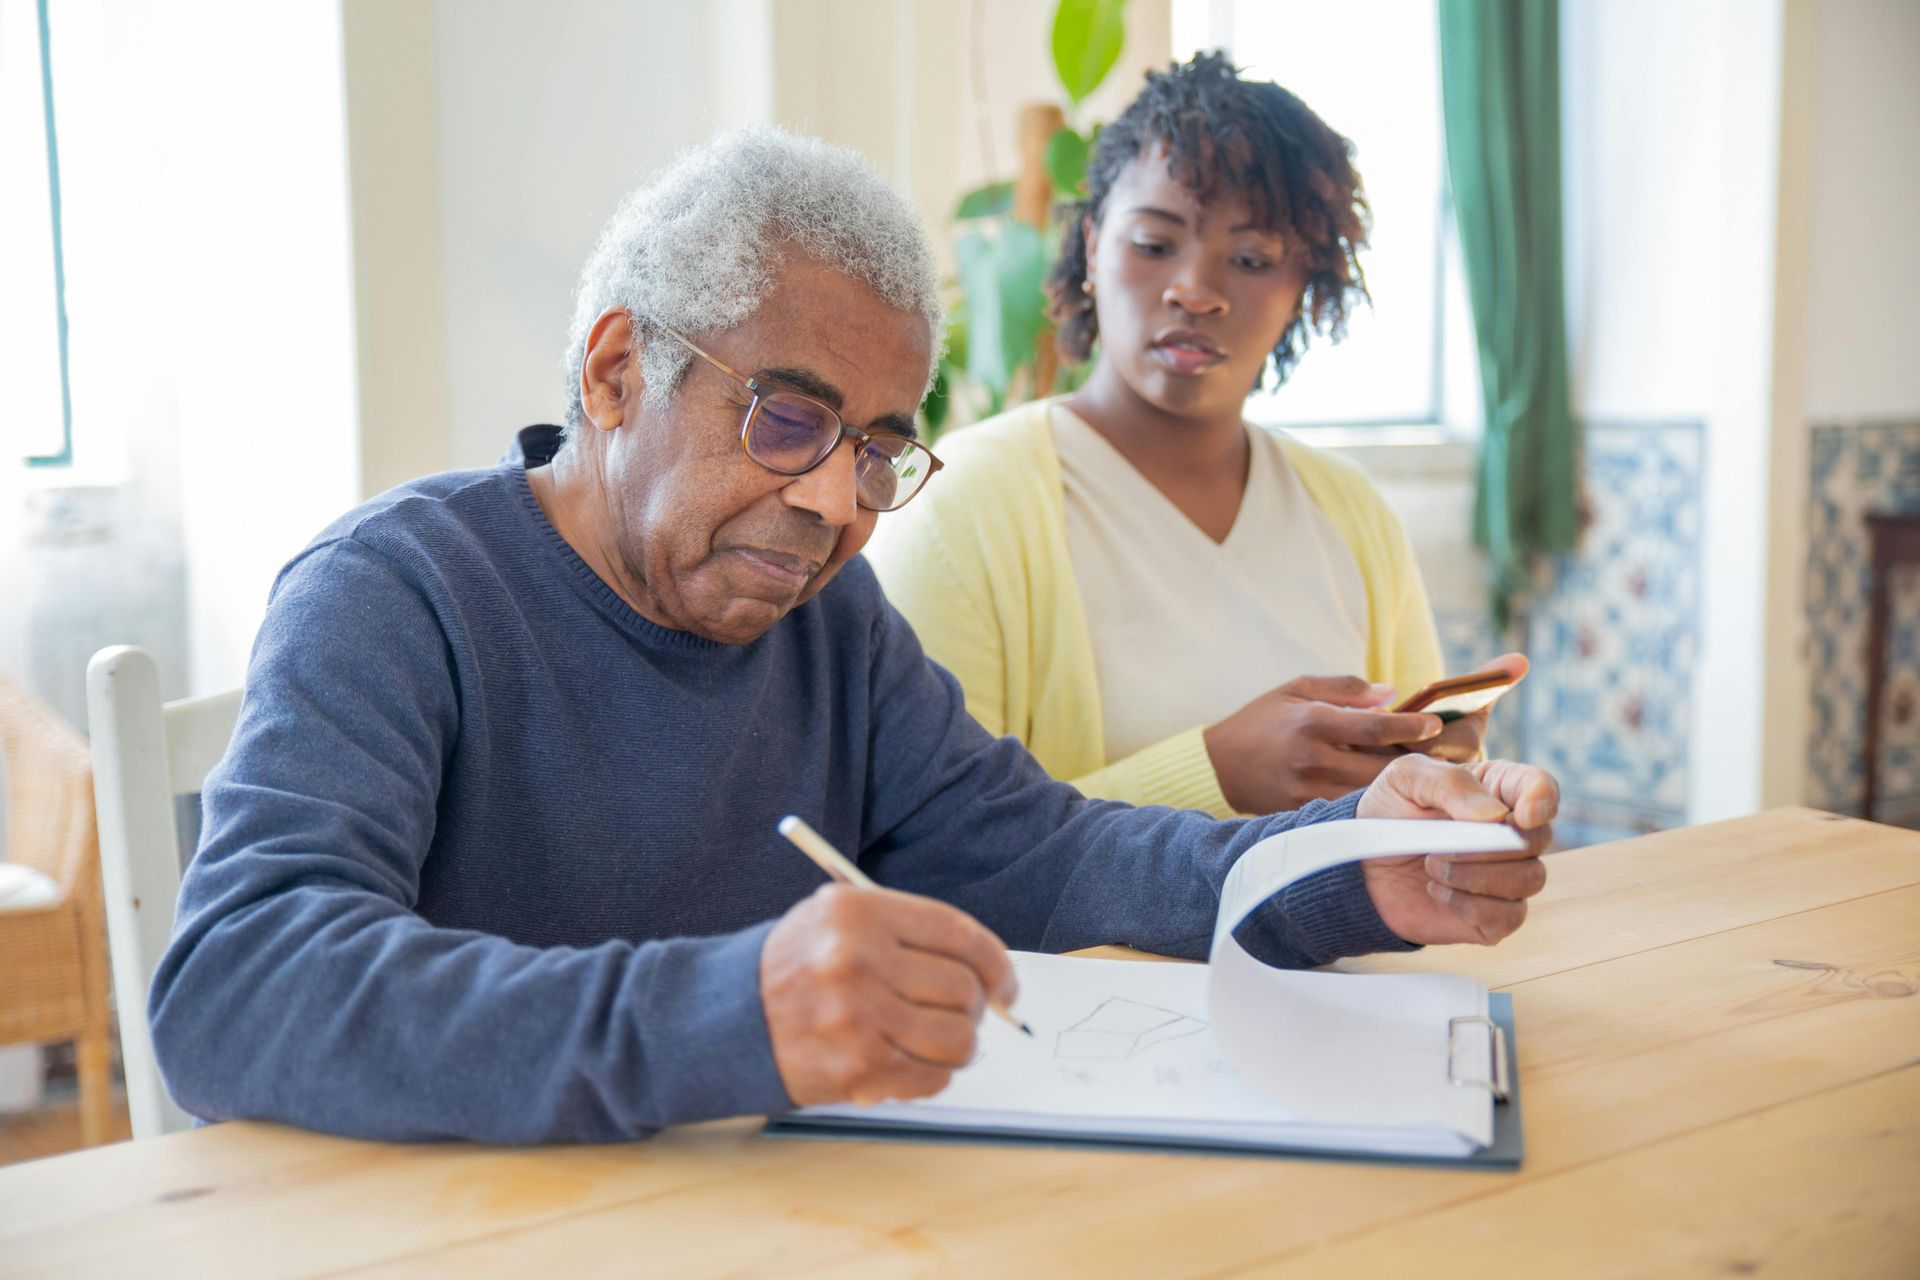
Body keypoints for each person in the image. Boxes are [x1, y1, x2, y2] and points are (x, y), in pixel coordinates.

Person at [148, 128, 1557, 1146]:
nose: (832, 502)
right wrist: (721, 1014)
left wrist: (1357, 867)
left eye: (878, 450)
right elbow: (238, 985)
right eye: (785, 418)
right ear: (616, 371)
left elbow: (1048, 853)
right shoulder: (396, 596)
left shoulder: (828, 617)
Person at [870, 53, 1522, 820]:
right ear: (1090, 250)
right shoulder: (964, 507)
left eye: (1250, 260)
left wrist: (1438, 777)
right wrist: (1214, 772)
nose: (1196, 290)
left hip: (1335, 941)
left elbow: (1408, 805)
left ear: (1304, 293)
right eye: (1153, 244)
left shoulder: (1349, 512)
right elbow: (927, 841)